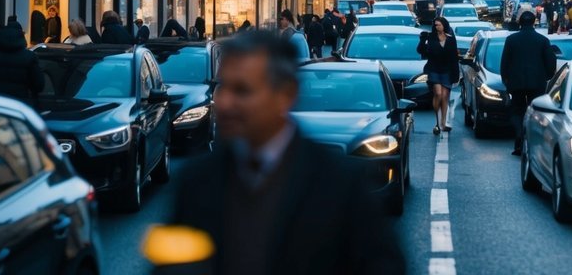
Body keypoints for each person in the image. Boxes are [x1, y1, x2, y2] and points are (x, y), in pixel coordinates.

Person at [160, 31, 404, 273]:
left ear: (285, 95)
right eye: (222, 87)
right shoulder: (196, 181)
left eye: (242, 90)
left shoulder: (340, 183)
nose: (224, 103)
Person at [500, 11, 557, 156]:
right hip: (537, 82)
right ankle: (532, 142)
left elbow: (505, 62)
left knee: (517, 110)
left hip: (516, 82)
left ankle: (519, 135)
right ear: (534, 22)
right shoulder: (542, 40)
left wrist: (506, 80)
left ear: (520, 22)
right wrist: (547, 76)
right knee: (536, 113)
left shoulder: (511, 40)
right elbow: (551, 62)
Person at [418, 18, 461, 135]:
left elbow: (454, 58)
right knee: (438, 93)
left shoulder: (451, 39)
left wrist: (456, 74)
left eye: (439, 25)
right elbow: (421, 51)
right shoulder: (430, 37)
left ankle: (443, 123)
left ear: (444, 25)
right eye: (435, 25)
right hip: (434, 69)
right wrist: (422, 40)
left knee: (445, 96)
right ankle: (437, 121)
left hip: (447, 70)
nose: (437, 27)